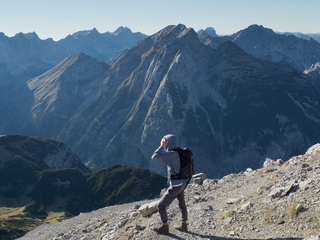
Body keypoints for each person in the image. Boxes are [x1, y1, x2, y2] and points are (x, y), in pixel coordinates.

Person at [151, 134, 188, 234]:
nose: (162, 141)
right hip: (182, 183)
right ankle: (184, 225)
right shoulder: (179, 152)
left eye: (164, 140)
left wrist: (161, 147)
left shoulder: (171, 155)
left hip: (175, 186)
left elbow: (154, 156)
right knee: (182, 204)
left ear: (168, 142)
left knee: (160, 206)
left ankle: (164, 226)